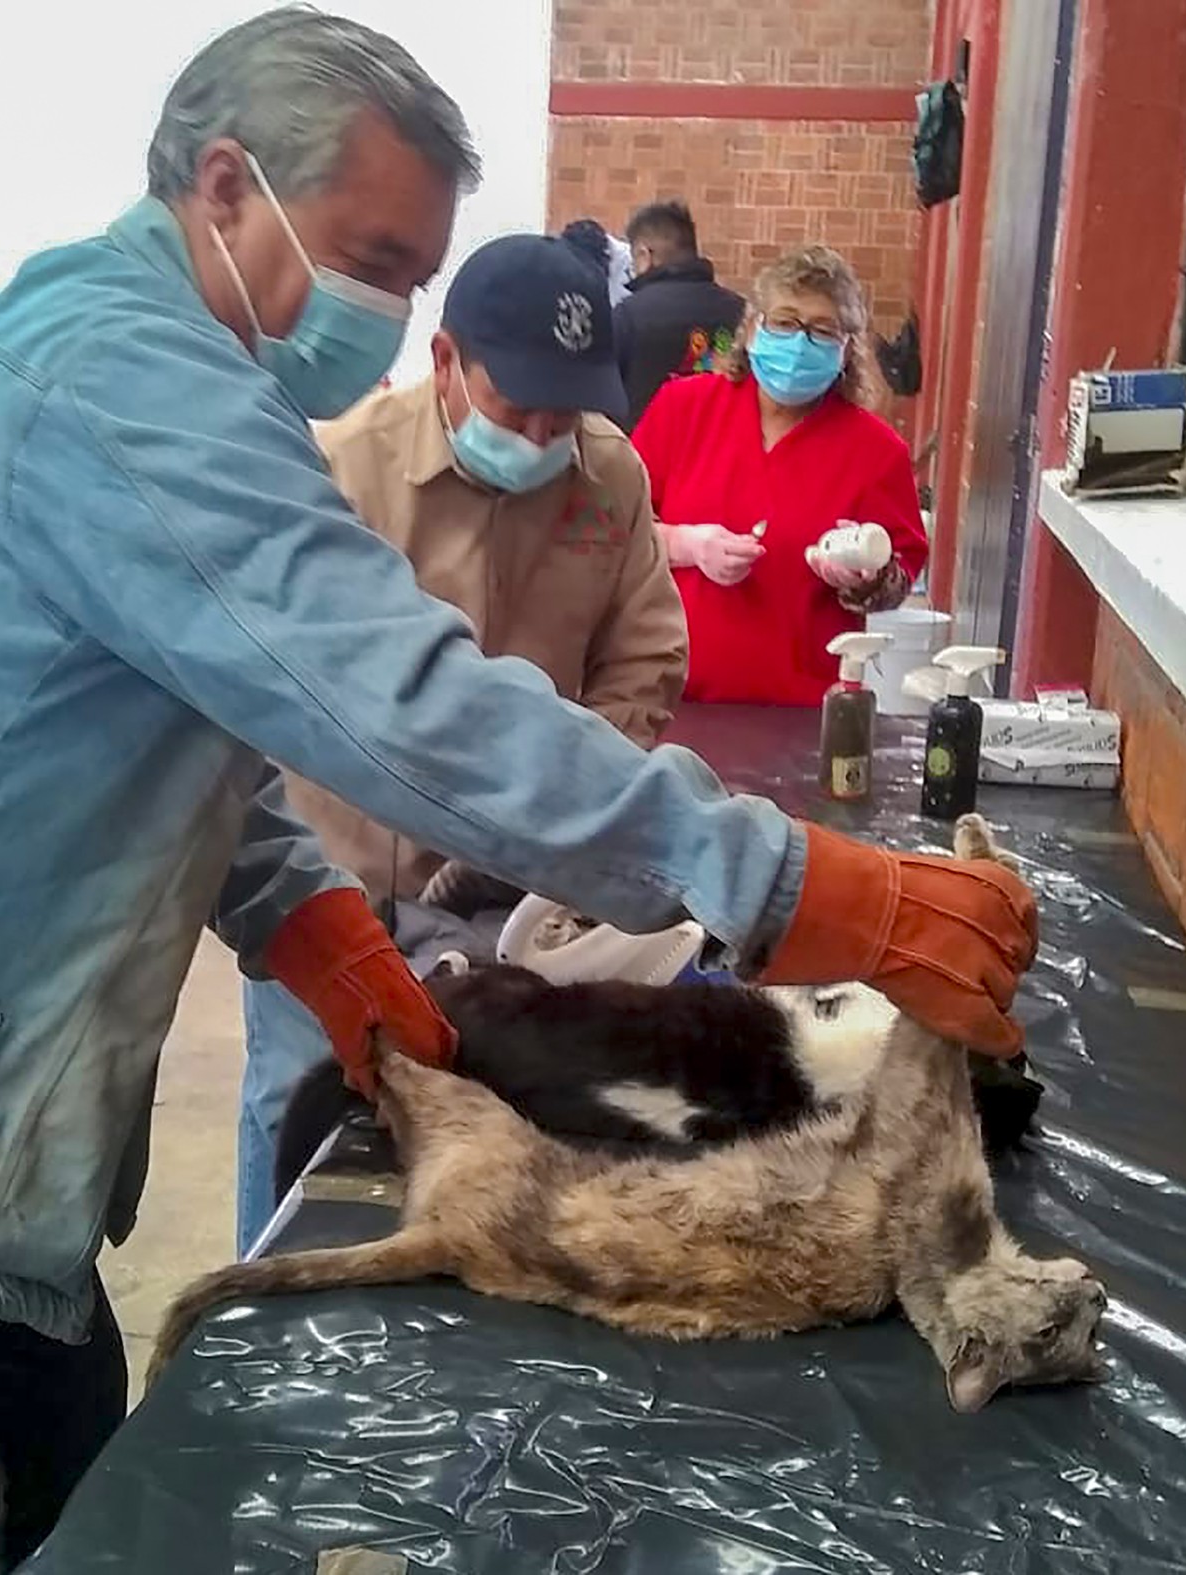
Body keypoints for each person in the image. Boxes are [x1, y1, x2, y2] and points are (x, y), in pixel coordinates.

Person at [0, 13, 1034, 1573]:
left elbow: (183, 717)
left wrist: (307, 916)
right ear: (225, 186)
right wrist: (787, 883)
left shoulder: (188, 380)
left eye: (410, 273)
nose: (381, 306)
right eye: (369, 253)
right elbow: (398, 698)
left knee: (88, 1512)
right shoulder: (117, 377)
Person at [236, 230, 686, 1248]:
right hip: (331, 878)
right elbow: (273, 682)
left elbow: (644, 659)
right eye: (512, 405)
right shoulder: (340, 468)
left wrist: (565, 795)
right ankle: (256, 1346)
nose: (536, 435)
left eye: (560, 413)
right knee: (297, 1111)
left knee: (486, 1129)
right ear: (444, 361)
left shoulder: (607, 481)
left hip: (505, 899)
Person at [632, 244, 928, 707]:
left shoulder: (875, 452)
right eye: (786, 322)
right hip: (669, 698)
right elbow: (611, 531)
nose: (800, 343)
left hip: (802, 712)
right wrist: (687, 545)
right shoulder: (683, 409)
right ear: (752, 329)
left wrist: (865, 580)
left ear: (846, 349)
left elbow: (898, 577)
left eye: (822, 330)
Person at [613, 199, 746, 428]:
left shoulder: (628, 315)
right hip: (718, 450)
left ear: (645, 256)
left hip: (643, 454)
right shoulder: (741, 311)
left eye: (634, 259)